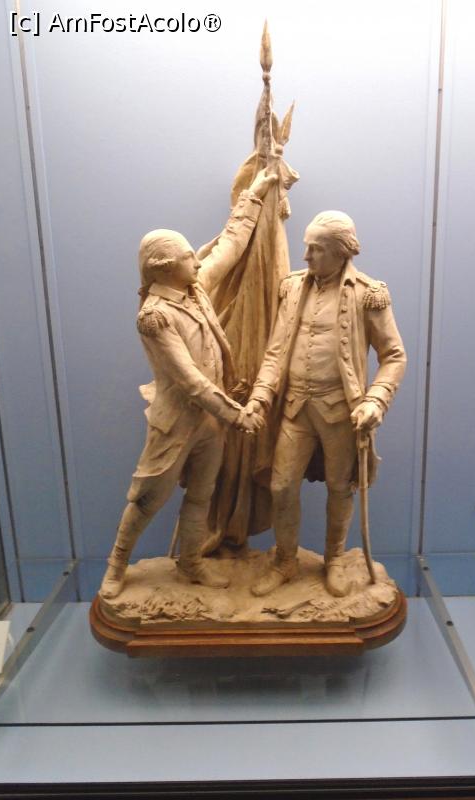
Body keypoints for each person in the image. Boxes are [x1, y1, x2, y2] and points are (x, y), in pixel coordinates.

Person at [99, 171, 276, 599]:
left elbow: (230, 246)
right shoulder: (154, 317)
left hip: (209, 425)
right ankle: (116, 566)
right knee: (147, 499)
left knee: (202, 494)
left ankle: (191, 562)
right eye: (186, 257)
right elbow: (191, 381)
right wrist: (237, 415)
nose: (197, 260)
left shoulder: (195, 290)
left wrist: (254, 195)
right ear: (163, 268)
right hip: (176, 424)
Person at [245, 211, 406, 597]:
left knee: (340, 487)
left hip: (341, 412)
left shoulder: (368, 294)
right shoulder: (292, 288)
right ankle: (285, 560)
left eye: (316, 249)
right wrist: (260, 395)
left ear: (340, 252)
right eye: (307, 247)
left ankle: (334, 559)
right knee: (282, 486)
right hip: (294, 407)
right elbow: (275, 351)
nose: (306, 256)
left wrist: (376, 400)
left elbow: (394, 356)